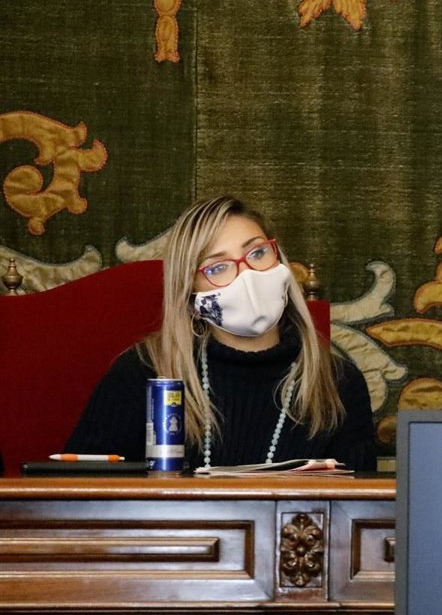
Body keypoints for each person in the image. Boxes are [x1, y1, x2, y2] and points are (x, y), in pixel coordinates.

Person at [67, 196, 376, 471]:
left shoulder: (339, 383)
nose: (247, 275)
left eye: (257, 253)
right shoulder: (144, 373)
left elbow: (359, 509)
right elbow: (81, 497)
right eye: (217, 268)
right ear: (190, 292)